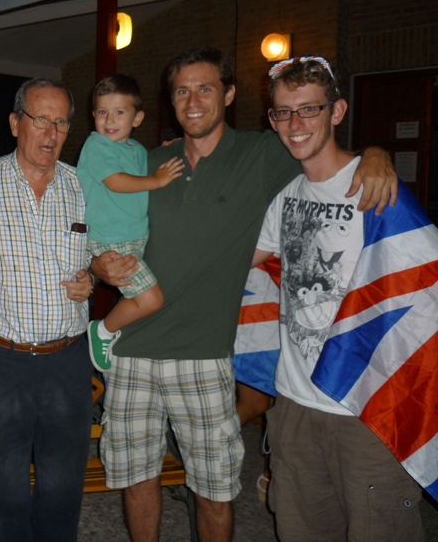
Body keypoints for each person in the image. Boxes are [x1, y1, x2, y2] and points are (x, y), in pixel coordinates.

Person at [91, 47, 398, 542]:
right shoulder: (149, 161)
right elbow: (101, 223)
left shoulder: (263, 154)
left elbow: (319, 145)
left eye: (205, 88)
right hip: (131, 352)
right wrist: (98, 265)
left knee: (214, 490)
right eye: (182, 91)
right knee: (136, 478)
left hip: (205, 354)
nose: (193, 101)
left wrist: (376, 154)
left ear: (229, 94)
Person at [252, 56, 424, 540]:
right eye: (284, 112)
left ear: (337, 111)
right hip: (295, 403)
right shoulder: (285, 195)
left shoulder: (379, 191)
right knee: (301, 530)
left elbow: (424, 293)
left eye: (309, 109)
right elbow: (232, 263)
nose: (296, 124)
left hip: (366, 409)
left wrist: (376, 152)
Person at [0, 78, 94, 542]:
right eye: (40, 120)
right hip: (1, 362)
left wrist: (92, 278)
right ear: (16, 123)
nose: (51, 133)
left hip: (68, 361)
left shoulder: (82, 186)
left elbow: (100, 253)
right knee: (0, 495)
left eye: (61, 122)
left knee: (62, 491)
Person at [76, 74, 183, 372]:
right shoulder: (96, 145)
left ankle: (117, 332)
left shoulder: (136, 149)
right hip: (111, 240)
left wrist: (170, 150)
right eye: (102, 112)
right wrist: (157, 181)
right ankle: (103, 330)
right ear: (93, 115)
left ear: (137, 118)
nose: (109, 120)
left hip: (135, 236)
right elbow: (116, 181)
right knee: (151, 299)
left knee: (143, 298)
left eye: (119, 112)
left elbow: (149, 169)